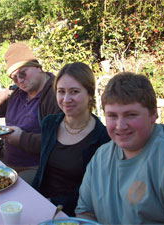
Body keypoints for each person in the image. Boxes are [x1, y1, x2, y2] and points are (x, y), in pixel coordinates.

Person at [75, 72, 164, 224]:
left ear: (153, 114)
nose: (120, 126)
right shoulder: (101, 156)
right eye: (112, 116)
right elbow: (86, 212)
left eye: (131, 115)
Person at [0, 42, 61, 183]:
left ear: (38, 67)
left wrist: (22, 138)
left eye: (23, 73)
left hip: (36, 168)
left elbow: (58, 140)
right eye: (14, 77)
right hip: (6, 162)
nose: (19, 81)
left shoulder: (56, 94)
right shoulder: (16, 92)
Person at [32, 62, 110, 216]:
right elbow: (42, 171)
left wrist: (52, 204)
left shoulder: (102, 137)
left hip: (70, 214)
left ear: (89, 94)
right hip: (40, 203)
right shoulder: (50, 123)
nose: (66, 99)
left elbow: (94, 195)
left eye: (74, 91)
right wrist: (31, 196)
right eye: (61, 91)